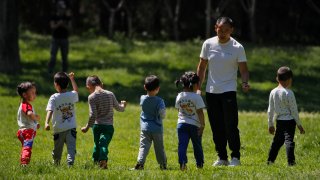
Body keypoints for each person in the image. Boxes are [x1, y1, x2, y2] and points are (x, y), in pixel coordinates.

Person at [197, 16, 250, 166]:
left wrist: (245, 82)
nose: (223, 33)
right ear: (216, 28)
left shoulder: (237, 47)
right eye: (220, 30)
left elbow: (244, 70)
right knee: (216, 126)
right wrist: (198, 88)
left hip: (229, 91)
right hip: (211, 91)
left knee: (231, 125)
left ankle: (235, 157)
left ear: (231, 30)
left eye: (226, 30)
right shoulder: (208, 44)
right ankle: (222, 157)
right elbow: (201, 68)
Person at [81, 75, 127, 169]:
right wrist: (123, 105)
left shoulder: (92, 97)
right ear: (101, 84)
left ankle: (96, 161)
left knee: (97, 144)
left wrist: (86, 127)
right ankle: (102, 161)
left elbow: (92, 115)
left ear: (89, 86)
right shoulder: (110, 94)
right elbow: (119, 108)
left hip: (97, 126)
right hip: (108, 127)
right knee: (103, 144)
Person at [267, 66, 305, 166]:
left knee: (277, 142)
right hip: (289, 122)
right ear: (289, 80)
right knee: (289, 141)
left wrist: (270, 124)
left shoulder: (273, 92)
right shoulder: (289, 93)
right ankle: (291, 162)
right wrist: (299, 124)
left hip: (279, 121)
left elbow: (270, 110)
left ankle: (270, 161)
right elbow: (294, 111)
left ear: (277, 79)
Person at [131, 75, 167, 170]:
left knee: (143, 146)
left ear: (144, 87)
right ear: (158, 88)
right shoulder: (160, 101)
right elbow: (162, 115)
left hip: (145, 128)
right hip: (157, 129)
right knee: (159, 148)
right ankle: (163, 165)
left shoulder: (143, 98)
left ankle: (140, 163)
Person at [45, 72, 78, 166]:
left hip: (59, 129)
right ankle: (70, 164)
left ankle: (56, 163)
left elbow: (50, 110)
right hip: (71, 127)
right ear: (67, 84)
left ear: (56, 84)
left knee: (57, 149)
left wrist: (46, 122)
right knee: (71, 148)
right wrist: (72, 79)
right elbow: (76, 90)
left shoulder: (54, 97)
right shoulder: (71, 95)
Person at [175, 72, 205, 170]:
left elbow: (178, 109)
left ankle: (182, 163)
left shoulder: (179, 95)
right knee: (197, 145)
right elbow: (200, 112)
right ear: (195, 85)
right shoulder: (197, 97)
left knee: (182, 145)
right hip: (194, 125)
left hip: (181, 124)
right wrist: (202, 125)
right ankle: (199, 164)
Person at [16, 82, 40, 166]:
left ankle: (23, 161)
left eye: (35, 92)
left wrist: (36, 123)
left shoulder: (22, 105)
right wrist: (36, 117)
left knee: (25, 147)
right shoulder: (26, 105)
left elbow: (27, 118)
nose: (35, 95)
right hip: (28, 132)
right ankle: (24, 164)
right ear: (25, 95)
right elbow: (29, 114)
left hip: (22, 131)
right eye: (32, 93)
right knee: (27, 148)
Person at [48, 0, 72, 73]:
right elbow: (52, 26)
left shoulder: (67, 17)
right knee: (53, 56)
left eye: (63, 8)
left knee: (64, 57)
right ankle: (50, 71)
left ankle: (64, 72)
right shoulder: (54, 16)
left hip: (64, 39)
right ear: (58, 8)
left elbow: (70, 28)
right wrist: (59, 24)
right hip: (55, 39)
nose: (62, 10)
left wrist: (63, 25)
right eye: (60, 8)